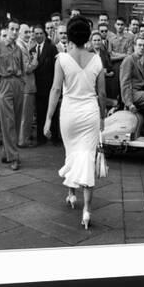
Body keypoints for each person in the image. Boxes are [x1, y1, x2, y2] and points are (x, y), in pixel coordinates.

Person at [43, 15, 106, 230]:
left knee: (71, 154)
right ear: (88, 37)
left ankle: (71, 195)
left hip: (69, 113)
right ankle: (87, 210)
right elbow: (102, 93)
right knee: (87, 158)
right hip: (90, 113)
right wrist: (103, 118)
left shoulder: (61, 59)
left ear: (69, 36)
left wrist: (48, 118)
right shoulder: (97, 60)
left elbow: (55, 90)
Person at [0, 19, 25, 170]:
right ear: (7, 29)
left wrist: (22, 82)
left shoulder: (18, 48)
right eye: (12, 29)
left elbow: (22, 68)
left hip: (17, 83)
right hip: (4, 84)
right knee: (8, 121)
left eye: (17, 29)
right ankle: (13, 157)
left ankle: (6, 152)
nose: (15, 32)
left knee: (15, 121)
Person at [31, 25, 59, 146]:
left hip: (50, 86)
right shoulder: (31, 50)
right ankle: (41, 138)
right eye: (36, 33)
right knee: (40, 112)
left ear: (44, 34)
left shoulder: (52, 48)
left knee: (52, 112)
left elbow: (56, 68)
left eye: (40, 33)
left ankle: (55, 138)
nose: (38, 36)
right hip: (37, 87)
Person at [16, 24, 38, 148]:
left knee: (24, 114)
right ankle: (23, 140)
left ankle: (22, 138)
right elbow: (27, 68)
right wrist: (35, 61)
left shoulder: (22, 45)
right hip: (27, 85)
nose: (29, 34)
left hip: (24, 85)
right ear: (19, 33)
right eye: (25, 32)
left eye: (29, 31)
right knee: (26, 115)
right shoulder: (21, 46)